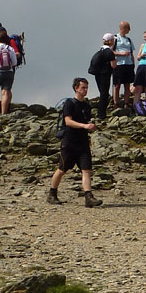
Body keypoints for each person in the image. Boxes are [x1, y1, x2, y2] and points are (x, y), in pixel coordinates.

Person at [47, 77, 103, 208]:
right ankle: (52, 194)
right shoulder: (70, 104)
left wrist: (89, 128)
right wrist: (84, 126)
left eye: (86, 88)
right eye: (83, 88)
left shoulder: (86, 105)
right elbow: (68, 121)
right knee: (62, 169)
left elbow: (85, 121)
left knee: (86, 170)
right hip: (70, 142)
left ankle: (88, 197)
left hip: (83, 142)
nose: (85, 90)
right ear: (76, 88)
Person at [90, 33, 116, 120]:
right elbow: (113, 65)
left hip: (97, 74)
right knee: (104, 94)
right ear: (111, 41)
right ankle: (101, 114)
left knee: (102, 93)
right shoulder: (109, 52)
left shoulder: (101, 50)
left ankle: (100, 113)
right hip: (105, 74)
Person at [112, 21, 135, 108]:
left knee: (127, 84)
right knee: (117, 85)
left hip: (128, 64)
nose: (129, 30)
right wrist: (121, 54)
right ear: (123, 28)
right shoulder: (115, 38)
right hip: (119, 64)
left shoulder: (128, 40)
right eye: (128, 28)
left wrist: (133, 63)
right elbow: (111, 52)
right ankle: (116, 103)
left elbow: (131, 53)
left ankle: (126, 103)